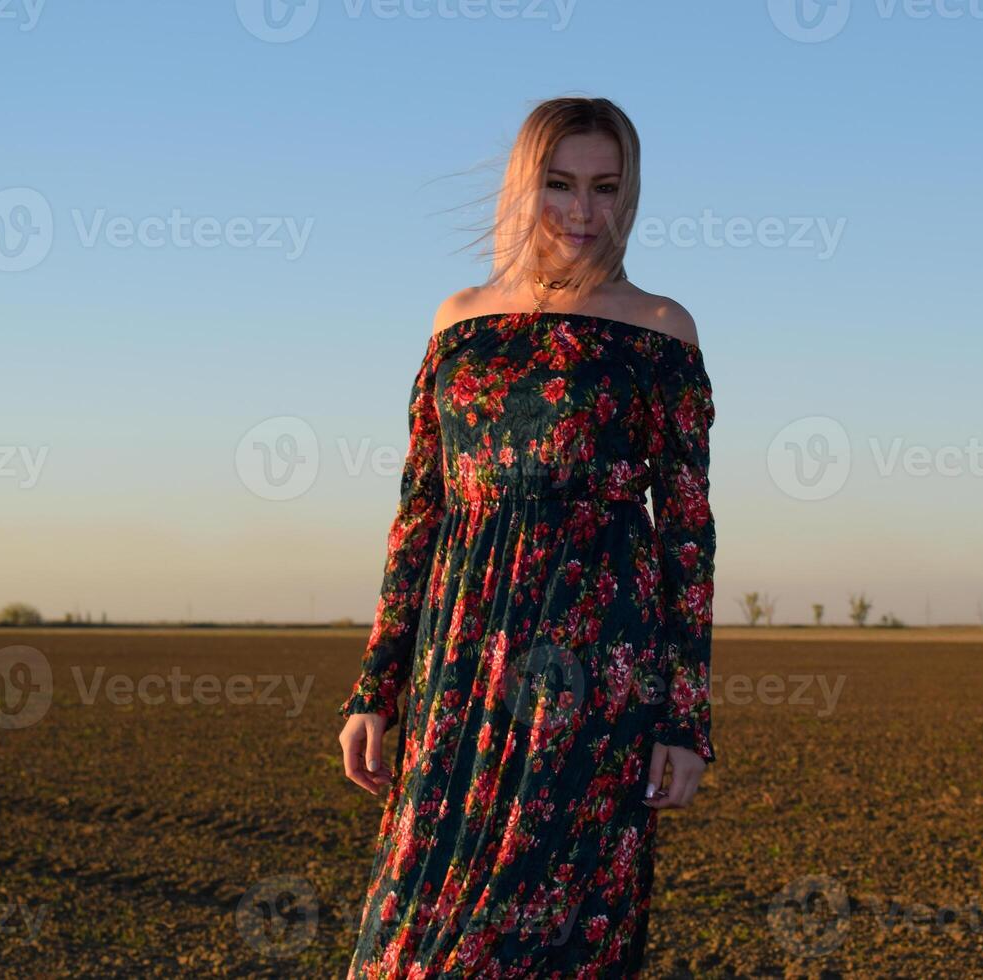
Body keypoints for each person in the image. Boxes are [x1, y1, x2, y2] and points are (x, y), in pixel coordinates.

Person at [336, 95, 717, 978]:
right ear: (521, 184)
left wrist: (682, 718)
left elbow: (686, 538)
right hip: (458, 662)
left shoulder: (660, 330)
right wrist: (375, 686)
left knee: (556, 932)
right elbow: (419, 515)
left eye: (604, 188)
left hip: (595, 674)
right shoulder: (457, 323)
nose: (582, 212)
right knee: (415, 940)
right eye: (558, 184)